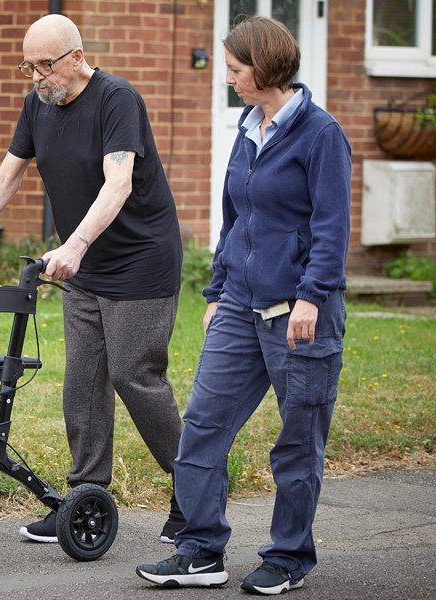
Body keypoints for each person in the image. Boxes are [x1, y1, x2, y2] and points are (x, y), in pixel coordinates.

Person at [0, 14, 186, 546]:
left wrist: (74, 244)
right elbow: (7, 175)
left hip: (140, 263)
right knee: (83, 384)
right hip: (84, 268)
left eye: (45, 66)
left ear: (76, 57)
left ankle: (196, 493)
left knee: (134, 376)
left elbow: (118, 184)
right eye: (28, 67)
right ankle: (84, 501)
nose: (36, 77)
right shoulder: (39, 104)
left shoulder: (117, 100)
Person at [134, 16, 351, 596]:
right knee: (202, 428)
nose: (228, 78)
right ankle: (200, 550)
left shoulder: (321, 134)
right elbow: (234, 221)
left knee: (297, 442)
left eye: (235, 69)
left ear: (266, 67)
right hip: (239, 306)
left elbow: (332, 228)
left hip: (300, 313)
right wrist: (218, 292)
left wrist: (311, 296)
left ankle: (288, 557)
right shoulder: (248, 127)